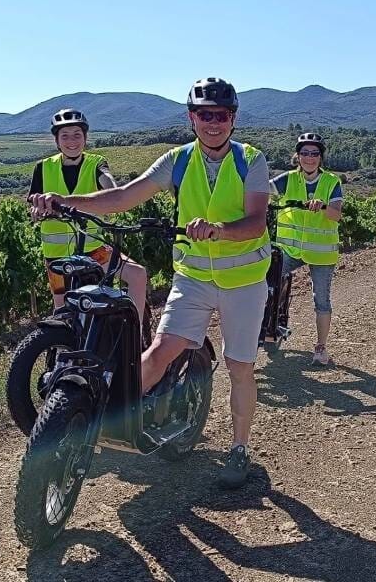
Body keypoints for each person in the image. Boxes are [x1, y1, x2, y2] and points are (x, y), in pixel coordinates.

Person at [30, 79, 271, 489]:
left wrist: (219, 230)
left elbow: (256, 221)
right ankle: (109, 418)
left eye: (222, 115)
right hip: (194, 277)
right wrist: (65, 201)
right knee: (159, 351)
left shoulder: (251, 160)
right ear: (191, 118)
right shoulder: (176, 160)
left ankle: (239, 449)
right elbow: (122, 197)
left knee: (240, 367)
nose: (213, 123)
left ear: (233, 119)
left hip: (243, 281)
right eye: (204, 115)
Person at [29, 109, 147, 324]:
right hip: (56, 257)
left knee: (137, 275)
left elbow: (109, 185)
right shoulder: (43, 167)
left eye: (77, 135)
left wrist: (114, 196)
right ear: (56, 140)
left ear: (85, 138)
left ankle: (135, 338)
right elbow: (34, 204)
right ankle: (63, 355)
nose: (71, 141)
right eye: (65, 136)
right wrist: (37, 211)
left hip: (94, 251)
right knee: (62, 312)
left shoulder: (96, 163)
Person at [269, 132, 343, 365]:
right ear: (297, 156)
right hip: (289, 250)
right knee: (266, 284)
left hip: (321, 253)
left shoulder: (331, 182)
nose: (309, 158)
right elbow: (263, 192)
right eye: (304, 153)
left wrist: (322, 207)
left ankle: (321, 348)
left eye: (314, 153)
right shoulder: (287, 179)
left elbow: (336, 214)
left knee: (321, 299)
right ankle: (269, 326)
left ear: (321, 158)